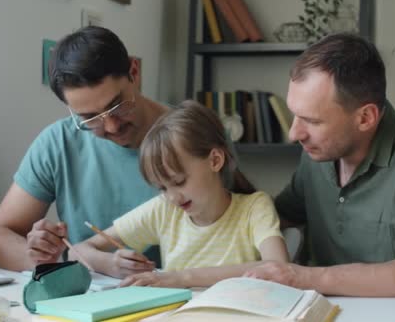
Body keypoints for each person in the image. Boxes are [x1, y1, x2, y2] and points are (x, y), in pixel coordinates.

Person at [244, 33, 395, 297]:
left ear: (366, 117)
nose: (294, 133)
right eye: (295, 115)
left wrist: (307, 277)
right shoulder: (317, 154)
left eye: (312, 121)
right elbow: (275, 217)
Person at [0, 26, 169, 271]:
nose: (111, 126)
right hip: (88, 295)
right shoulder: (58, 142)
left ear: (134, 72)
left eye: (117, 106)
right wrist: (50, 259)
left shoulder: (193, 135)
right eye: (91, 118)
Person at [75, 100, 289, 287]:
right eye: (162, 188)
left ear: (215, 160)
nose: (172, 197)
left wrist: (181, 277)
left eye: (179, 181)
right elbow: (77, 250)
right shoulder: (164, 210)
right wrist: (112, 264)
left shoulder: (254, 208)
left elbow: (277, 266)